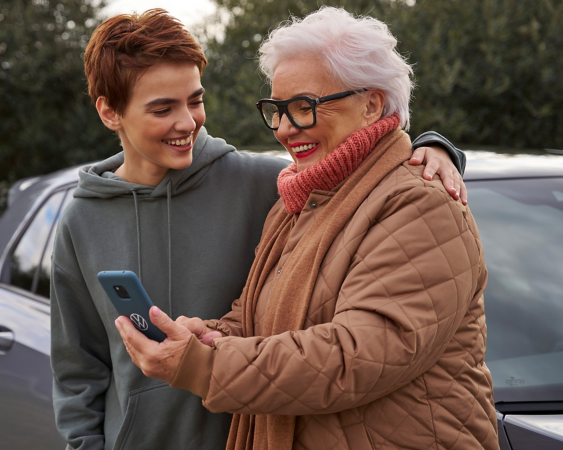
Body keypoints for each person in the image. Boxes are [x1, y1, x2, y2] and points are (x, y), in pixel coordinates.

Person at [52, 9, 469, 450]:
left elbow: (361, 346)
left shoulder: (271, 188)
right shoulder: (82, 219)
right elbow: (80, 370)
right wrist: (213, 336)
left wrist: (434, 148)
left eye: (194, 100)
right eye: (162, 108)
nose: (188, 122)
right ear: (109, 113)